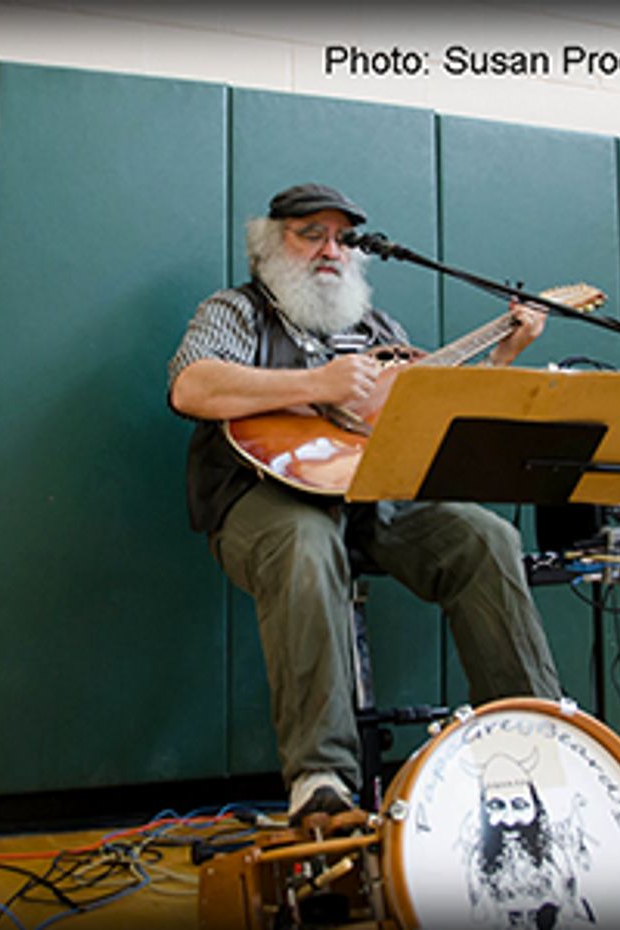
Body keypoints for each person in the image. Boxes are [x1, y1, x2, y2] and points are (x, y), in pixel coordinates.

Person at [167, 182, 562, 823]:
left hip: (371, 499)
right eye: (311, 234)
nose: (331, 249)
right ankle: (321, 783)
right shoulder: (235, 311)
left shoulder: (378, 329)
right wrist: (316, 383)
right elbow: (192, 384)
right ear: (270, 244)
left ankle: (536, 749)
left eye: (342, 238)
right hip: (264, 500)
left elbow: (434, 417)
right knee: (305, 542)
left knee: (486, 537)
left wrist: (505, 357)